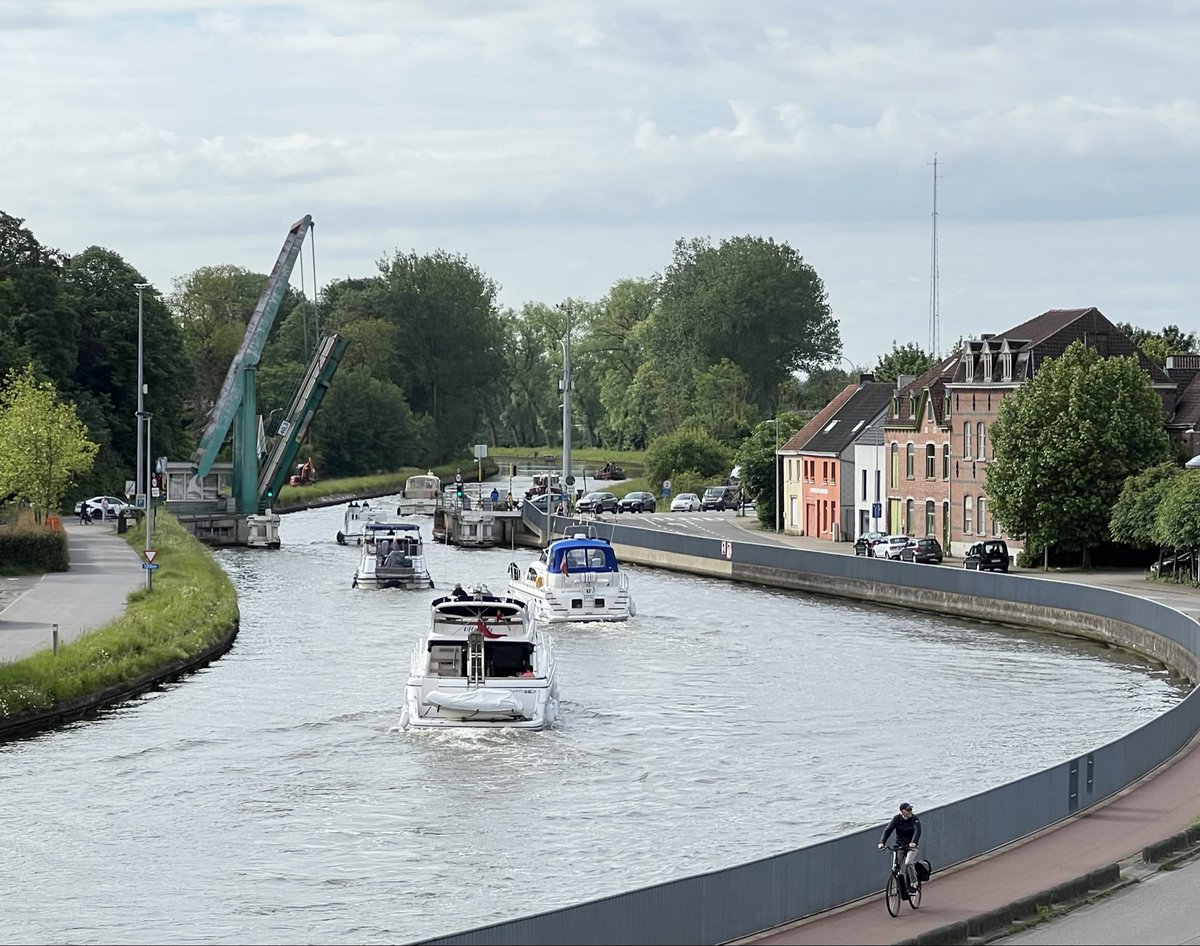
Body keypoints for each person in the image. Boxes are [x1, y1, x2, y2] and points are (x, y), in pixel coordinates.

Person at [878, 802, 922, 890]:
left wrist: (913, 842)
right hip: (900, 845)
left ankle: (914, 883)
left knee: (908, 862)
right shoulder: (896, 819)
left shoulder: (914, 819)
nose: (911, 811)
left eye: (911, 809)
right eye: (908, 810)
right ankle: (900, 885)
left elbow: (918, 831)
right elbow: (888, 831)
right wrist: (882, 842)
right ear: (902, 811)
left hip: (911, 847)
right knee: (896, 867)